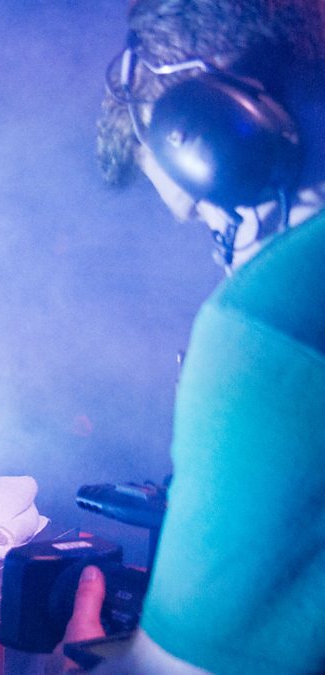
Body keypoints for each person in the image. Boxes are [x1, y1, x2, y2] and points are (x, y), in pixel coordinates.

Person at [62, 1, 325, 673]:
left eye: (218, 216)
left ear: (244, 128)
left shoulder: (268, 322)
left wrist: (88, 655)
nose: (226, 258)